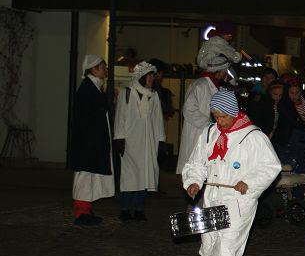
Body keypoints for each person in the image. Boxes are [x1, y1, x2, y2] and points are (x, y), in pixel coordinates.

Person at [182, 90, 281, 256]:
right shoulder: (209, 133)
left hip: (238, 203)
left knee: (225, 250)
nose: (220, 121)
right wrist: (194, 182)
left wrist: (249, 183)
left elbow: (271, 166)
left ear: (234, 112)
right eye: (216, 116)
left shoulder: (253, 136)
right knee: (209, 251)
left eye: (224, 116)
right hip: (212, 199)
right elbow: (196, 162)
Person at [176, 37, 239, 174]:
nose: (224, 75)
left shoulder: (217, 87)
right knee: (197, 170)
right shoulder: (200, 85)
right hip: (198, 133)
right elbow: (189, 109)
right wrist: (209, 123)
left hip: (209, 134)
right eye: (223, 72)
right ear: (218, 71)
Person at [114, 61, 165, 221]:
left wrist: (160, 140)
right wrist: (119, 138)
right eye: (149, 75)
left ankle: (139, 209)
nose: (152, 78)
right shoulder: (127, 93)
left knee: (144, 175)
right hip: (131, 141)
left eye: (152, 75)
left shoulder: (154, 96)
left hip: (148, 143)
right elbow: (120, 117)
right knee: (130, 176)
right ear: (142, 76)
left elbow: (158, 120)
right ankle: (124, 208)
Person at [70, 54, 115, 225]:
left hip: (91, 142)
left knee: (89, 177)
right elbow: (85, 119)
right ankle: (81, 212)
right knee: (84, 176)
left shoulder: (94, 87)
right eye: (102, 67)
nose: (105, 70)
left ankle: (86, 210)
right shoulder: (87, 89)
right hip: (87, 143)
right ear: (93, 69)